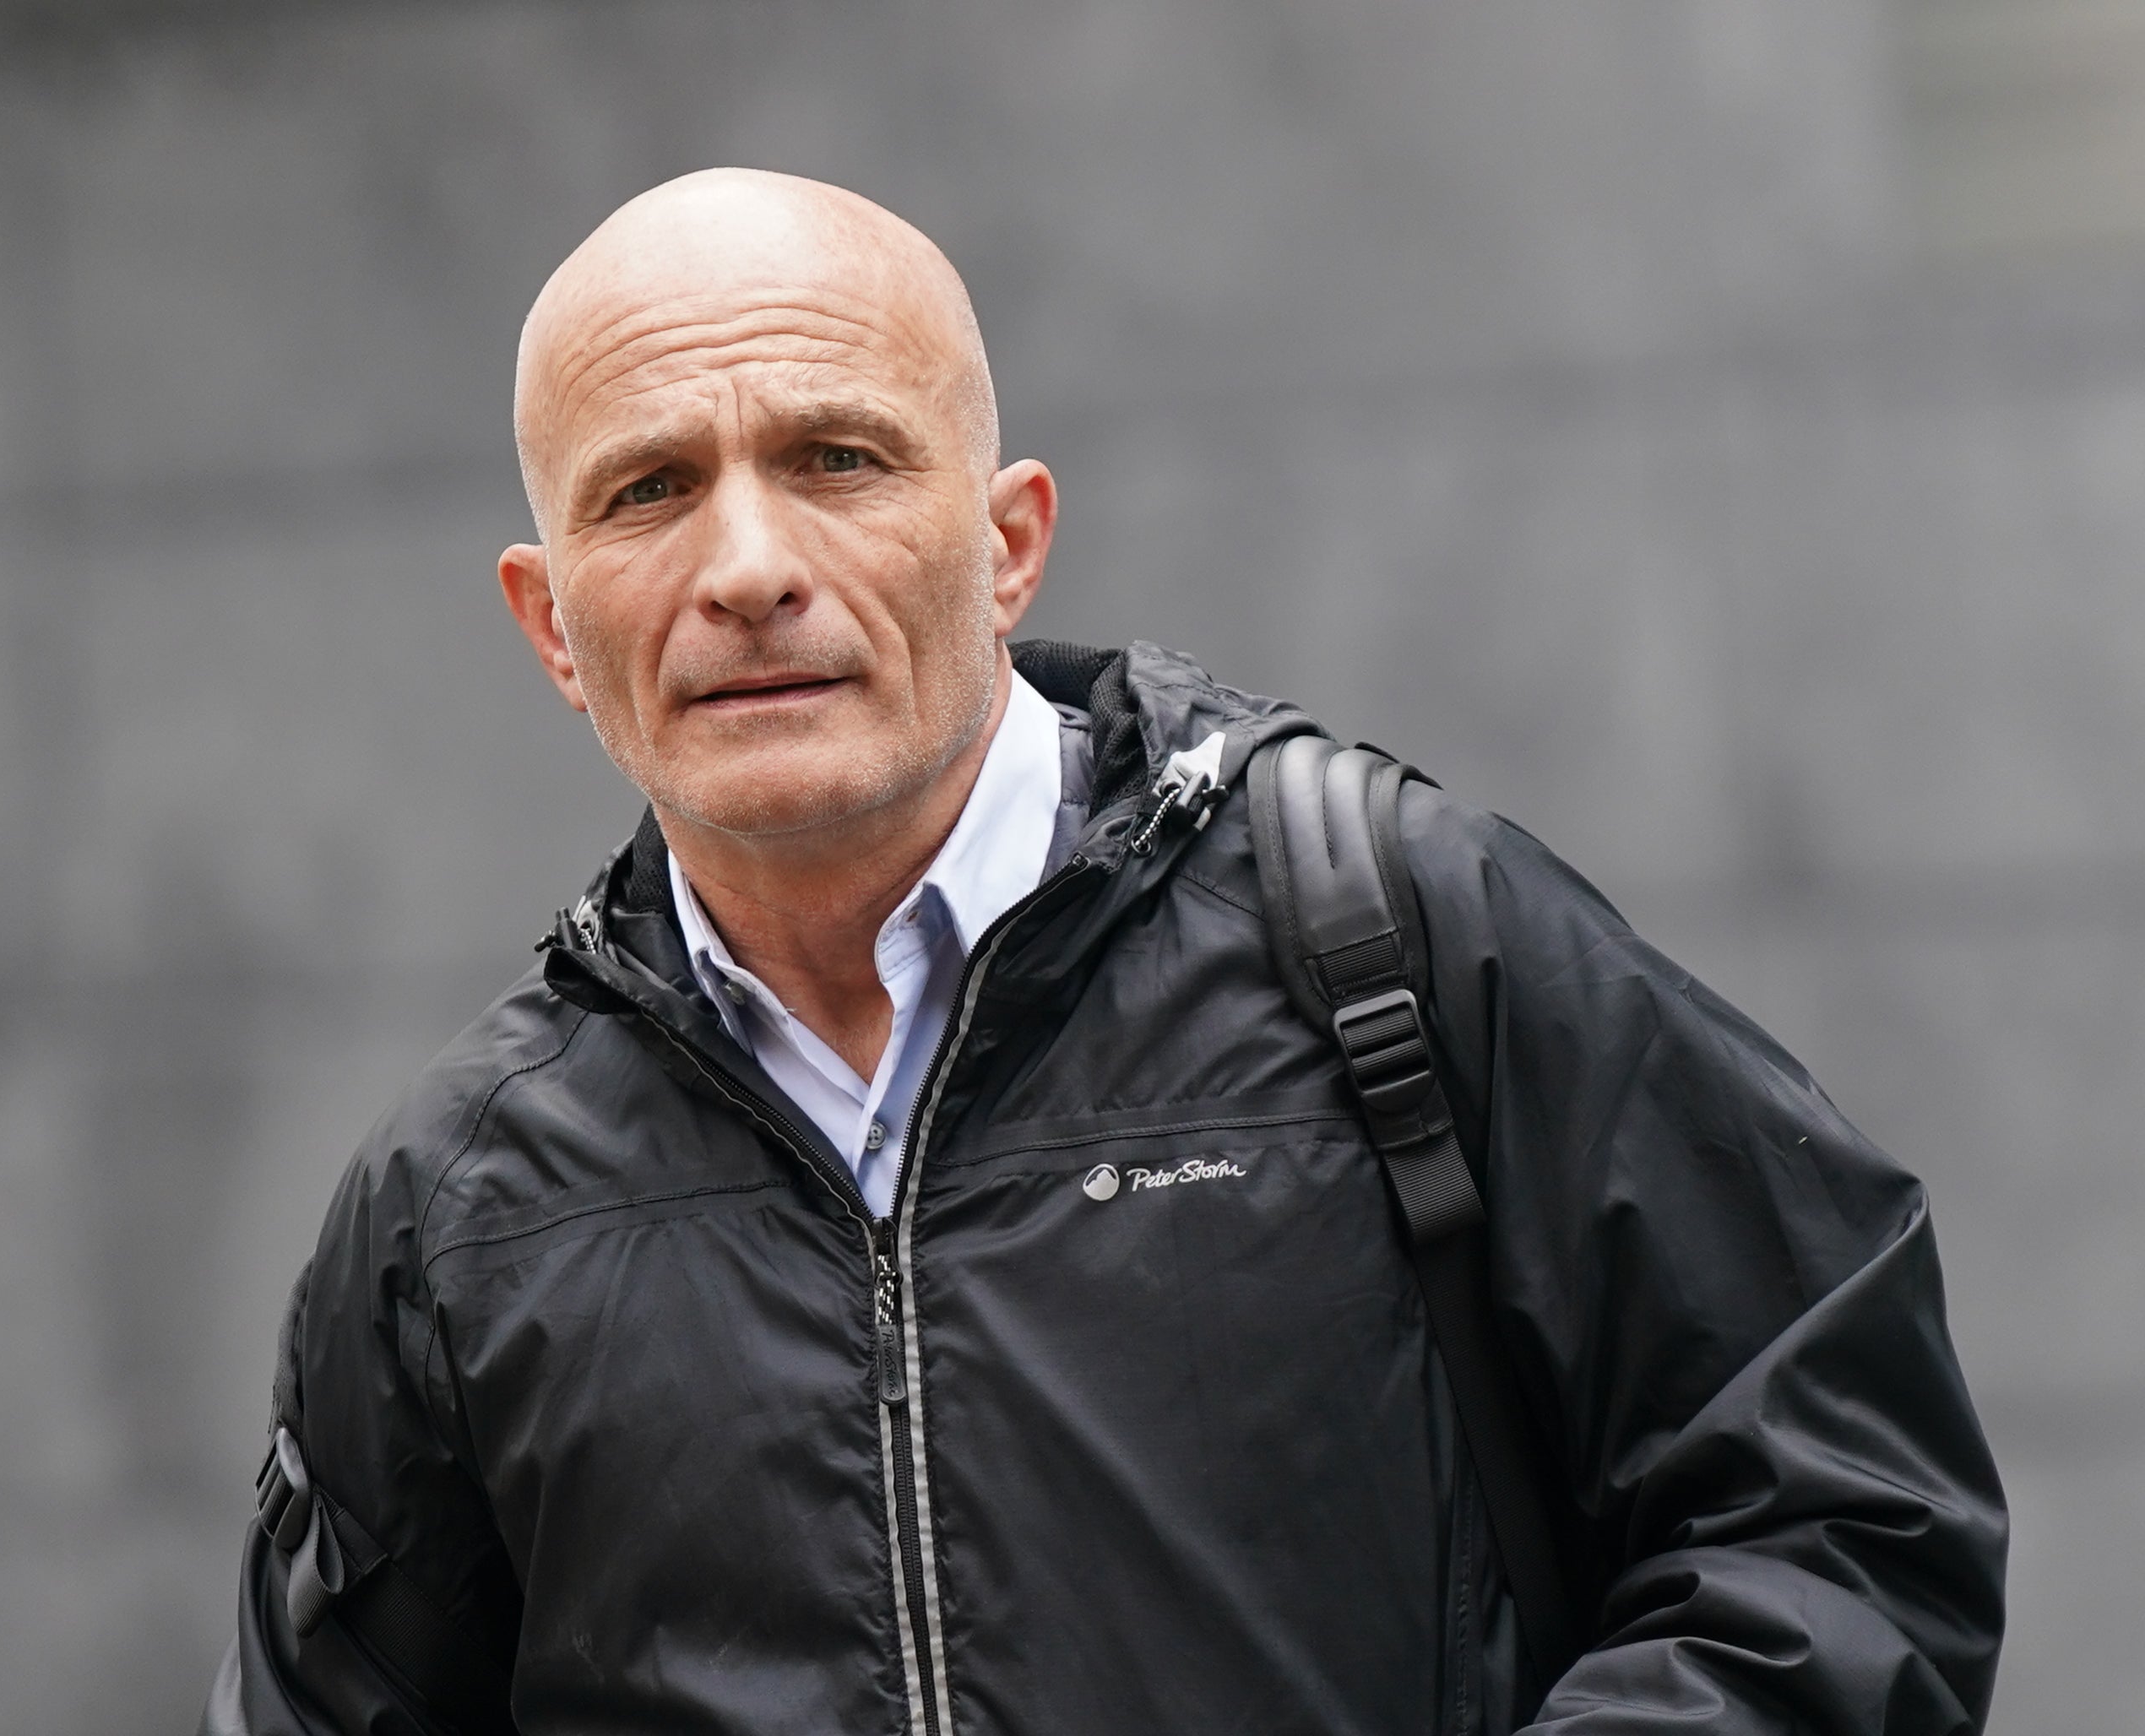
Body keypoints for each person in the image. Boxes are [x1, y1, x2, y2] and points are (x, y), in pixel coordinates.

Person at [201, 169, 2007, 1736]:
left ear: (1006, 546)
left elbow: (1841, 1511)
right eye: (650, 489)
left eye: (837, 457)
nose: (748, 563)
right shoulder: (458, 1210)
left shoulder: (1382, 938)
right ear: (552, 626)